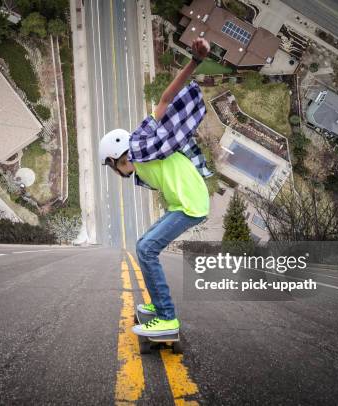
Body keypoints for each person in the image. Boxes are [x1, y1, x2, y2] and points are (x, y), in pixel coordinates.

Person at [98, 38, 212, 337]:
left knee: (147, 249)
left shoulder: (141, 144)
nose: (116, 172)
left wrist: (195, 62)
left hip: (192, 204)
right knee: (143, 244)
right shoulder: (139, 165)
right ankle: (159, 307)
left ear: (115, 157)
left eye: (112, 166)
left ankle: (166, 317)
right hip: (182, 204)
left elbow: (164, 100)